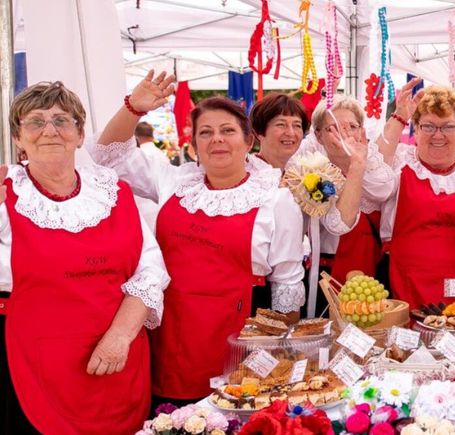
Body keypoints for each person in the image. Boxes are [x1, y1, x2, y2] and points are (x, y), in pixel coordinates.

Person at [2, 81, 169, 435]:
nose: (48, 129)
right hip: (36, 370)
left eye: (61, 120)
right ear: (19, 138)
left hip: (118, 361)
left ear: (80, 134)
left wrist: (120, 334)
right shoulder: (4, 199)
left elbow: (149, 271)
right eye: (34, 122)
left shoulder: (116, 193)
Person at [93, 71, 305, 404]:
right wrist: (133, 109)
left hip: (239, 342)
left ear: (248, 142)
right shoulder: (173, 182)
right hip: (171, 337)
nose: (216, 139)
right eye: (205, 132)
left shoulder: (276, 199)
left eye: (227, 131)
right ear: (193, 147)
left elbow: (288, 285)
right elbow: (109, 156)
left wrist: (277, 355)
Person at [375, 81, 455, 309]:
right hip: (408, 283)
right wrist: (398, 116)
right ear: (415, 128)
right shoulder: (401, 162)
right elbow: (371, 172)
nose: (438, 135)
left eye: (447, 127)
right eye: (429, 126)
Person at [297, 97, 391, 286]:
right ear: (318, 135)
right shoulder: (311, 174)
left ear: (362, 132)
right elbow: (337, 225)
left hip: (374, 270)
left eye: (352, 127)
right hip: (329, 274)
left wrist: (359, 162)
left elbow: (384, 190)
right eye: (333, 127)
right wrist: (356, 165)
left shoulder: (374, 168)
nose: (344, 134)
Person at [249, 93, 309, 170]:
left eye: (297, 125)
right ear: (259, 132)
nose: (291, 133)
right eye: (281, 124)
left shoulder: (300, 170)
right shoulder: (247, 174)